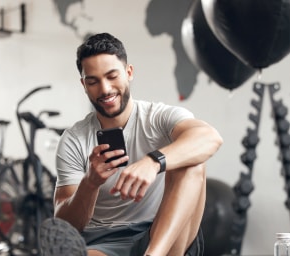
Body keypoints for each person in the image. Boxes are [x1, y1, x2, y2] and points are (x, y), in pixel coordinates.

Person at [39, 32, 223, 256]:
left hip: (161, 235)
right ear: (84, 85)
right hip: (103, 240)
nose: (105, 89)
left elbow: (210, 137)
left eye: (112, 76)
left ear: (129, 73)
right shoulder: (74, 140)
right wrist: (90, 182)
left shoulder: (159, 118)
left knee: (191, 161)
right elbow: (65, 225)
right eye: (93, 81)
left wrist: (154, 162)